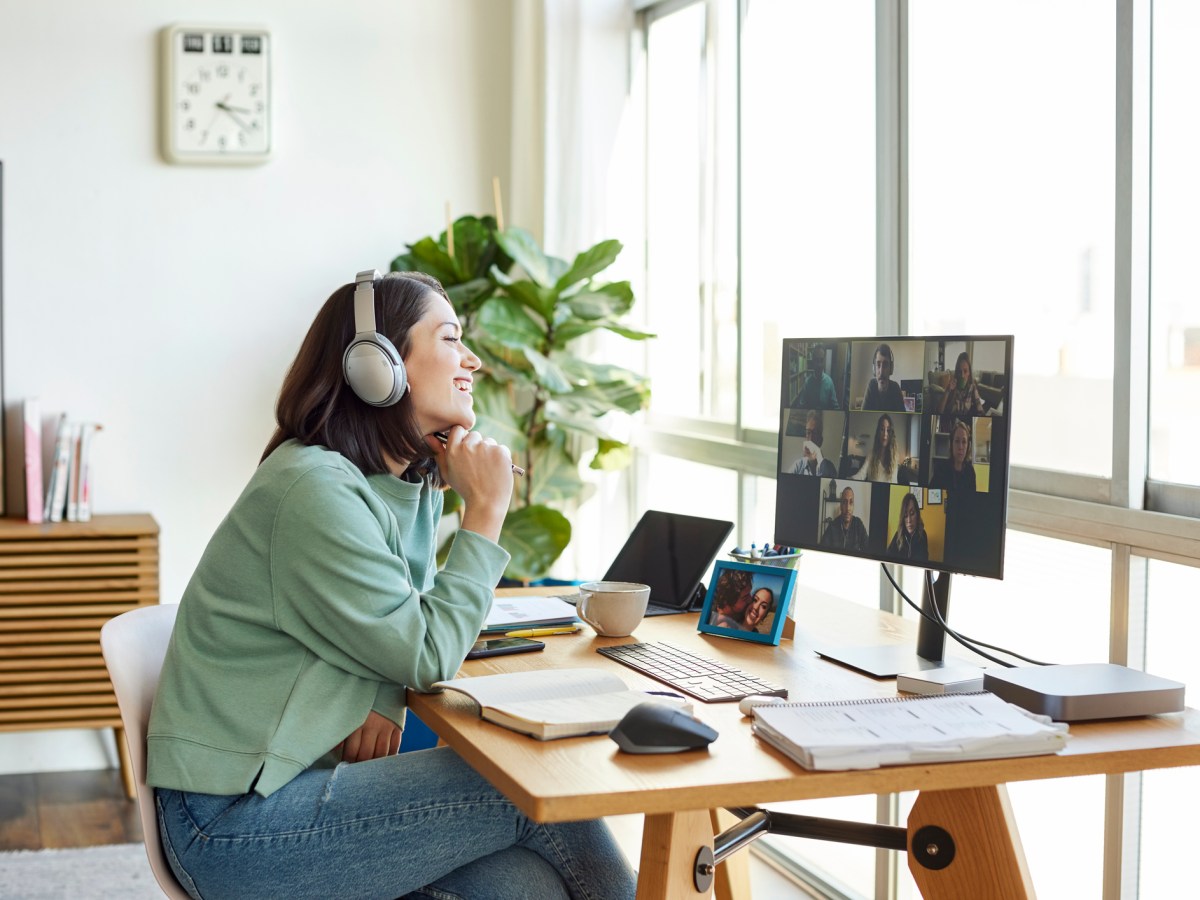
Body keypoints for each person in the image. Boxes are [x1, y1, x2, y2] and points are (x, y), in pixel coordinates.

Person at [146, 271, 636, 900]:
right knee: (523, 782)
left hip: (297, 787)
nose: (474, 360)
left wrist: (383, 691)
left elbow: (399, 619)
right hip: (230, 824)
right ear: (376, 366)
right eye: (451, 338)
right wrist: (486, 512)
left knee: (530, 885)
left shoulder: (394, 484)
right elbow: (429, 653)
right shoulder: (312, 489)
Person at [930, 418, 977, 494]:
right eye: (957, 441)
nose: (960, 447)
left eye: (964, 442)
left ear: (968, 446)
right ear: (951, 444)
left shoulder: (970, 472)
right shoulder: (940, 469)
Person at [852, 413, 904, 483]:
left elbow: (894, 482)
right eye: (882, 429)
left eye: (888, 430)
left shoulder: (894, 456)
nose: (885, 434)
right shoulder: (871, 454)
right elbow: (861, 474)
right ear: (878, 432)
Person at [789, 410, 837, 477]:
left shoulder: (829, 467)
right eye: (808, 432)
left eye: (815, 433)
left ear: (821, 440)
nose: (811, 438)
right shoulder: (797, 465)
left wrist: (820, 459)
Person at [820, 486, 869, 552]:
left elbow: (868, 549)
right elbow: (822, 549)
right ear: (840, 506)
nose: (848, 508)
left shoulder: (858, 524)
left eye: (851, 502)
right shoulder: (832, 527)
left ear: (853, 506)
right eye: (844, 502)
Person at [939, 351, 985, 419]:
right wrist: (948, 390)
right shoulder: (952, 387)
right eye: (959, 371)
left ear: (969, 373)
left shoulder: (972, 387)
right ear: (957, 372)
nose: (962, 375)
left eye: (965, 371)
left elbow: (979, 407)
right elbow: (939, 412)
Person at [794, 345, 840, 409]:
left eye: (821, 360)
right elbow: (800, 406)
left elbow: (836, 407)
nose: (819, 364)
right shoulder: (807, 383)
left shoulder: (829, 382)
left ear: (824, 361)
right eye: (816, 360)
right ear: (813, 362)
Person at [862, 343, 904, 412]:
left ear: (891, 368)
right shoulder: (871, 385)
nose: (881, 372)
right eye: (878, 365)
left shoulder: (896, 388)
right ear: (874, 369)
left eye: (885, 365)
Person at [887, 492, 929, 561]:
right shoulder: (898, 535)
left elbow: (924, 561)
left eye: (912, 513)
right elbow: (887, 556)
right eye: (905, 515)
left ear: (917, 514)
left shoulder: (923, 535)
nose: (909, 520)